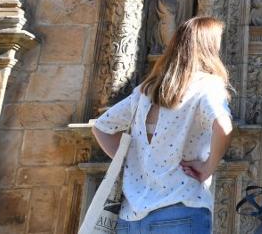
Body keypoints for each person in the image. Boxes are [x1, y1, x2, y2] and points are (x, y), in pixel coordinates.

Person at [91, 16, 234, 233]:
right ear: (209, 47)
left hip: (131, 218)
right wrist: (207, 168)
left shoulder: (146, 91)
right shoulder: (207, 85)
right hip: (180, 208)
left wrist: (133, 161)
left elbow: (101, 128)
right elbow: (223, 127)